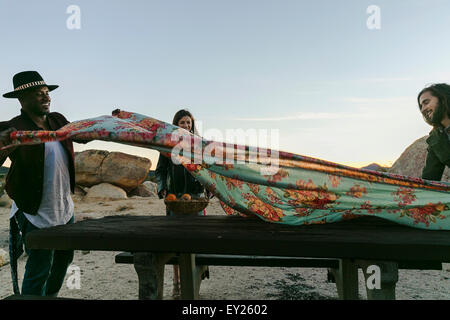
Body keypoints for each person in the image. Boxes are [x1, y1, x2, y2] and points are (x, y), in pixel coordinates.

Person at [0, 71, 82, 297]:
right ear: (22, 99)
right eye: (39, 94)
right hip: (34, 209)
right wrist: (4, 142)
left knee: (63, 259)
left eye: (47, 93)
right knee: (40, 267)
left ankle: (50, 297)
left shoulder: (57, 120)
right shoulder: (14, 127)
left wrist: (107, 125)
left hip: (63, 207)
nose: (46, 98)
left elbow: (82, 135)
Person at [155, 109, 209, 298]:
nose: (186, 126)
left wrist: (209, 190)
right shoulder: (168, 146)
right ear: (175, 125)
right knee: (174, 242)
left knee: (198, 242)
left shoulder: (200, 146)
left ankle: (196, 281)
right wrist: (161, 188)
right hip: (175, 199)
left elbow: (208, 171)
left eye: (188, 123)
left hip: (196, 199)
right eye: (182, 123)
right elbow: (160, 171)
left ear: (192, 125)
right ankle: (177, 283)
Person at [417, 83, 450, 181]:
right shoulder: (436, 139)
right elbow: (430, 178)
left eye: (426, 102)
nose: (423, 109)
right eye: (421, 106)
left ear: (443, 98)